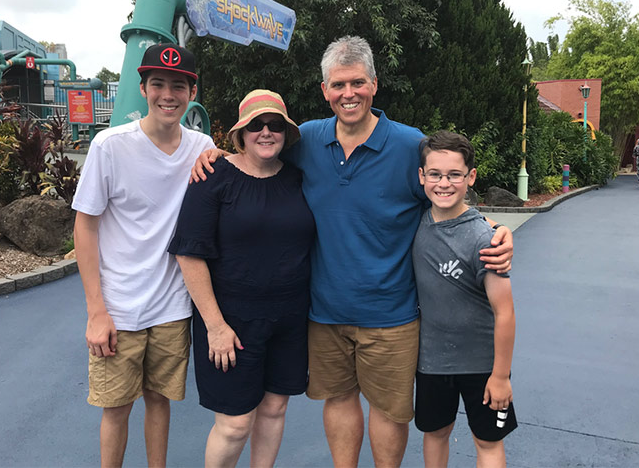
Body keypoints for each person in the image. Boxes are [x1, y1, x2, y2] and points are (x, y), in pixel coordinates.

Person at [192, 36, 513, 466]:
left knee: (388, 412)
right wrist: (214, 155)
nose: (349, 94)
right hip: (324, 312)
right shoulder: (303, 140)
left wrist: (491, 228)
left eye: (357, 83)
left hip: (392, 314)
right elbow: (256, 155)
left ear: (374, 85)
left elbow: (446, 192)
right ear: (324, 90)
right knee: (339, 402)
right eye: (338, 85)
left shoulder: (408, 145)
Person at [72, 43, 215, 467]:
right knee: (116, 408)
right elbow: (85, 225)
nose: (167, 94)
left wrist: (221, 156)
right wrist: (96, 311)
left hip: (172, 306)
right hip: (119, 308)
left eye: (178, 85)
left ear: (191, 91)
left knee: (159, 401)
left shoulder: (202, 145)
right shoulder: (109, 146)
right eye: (158, 84)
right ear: (142, 88)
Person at [169, 90, 315, 468]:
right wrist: (215, 326)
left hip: (288, 320)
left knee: (274, 410)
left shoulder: (299, 179)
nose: (266, 132)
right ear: (240, 133)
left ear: (286, 132)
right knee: (234, 424)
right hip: (230, 323)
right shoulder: (212, 177)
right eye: (255, 125)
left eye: (275, 125)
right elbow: (189, 253)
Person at [413, 131, 517, 468]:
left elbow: (505, 312)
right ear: (422, 176)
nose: (444, 183)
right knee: (436, 434)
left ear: (470, 177)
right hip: (432, 363)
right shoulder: (417, 222)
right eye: (435, 174)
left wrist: (500, 377)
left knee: (488, 441)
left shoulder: (485, 239)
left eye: (454, 174)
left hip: (483, 367)